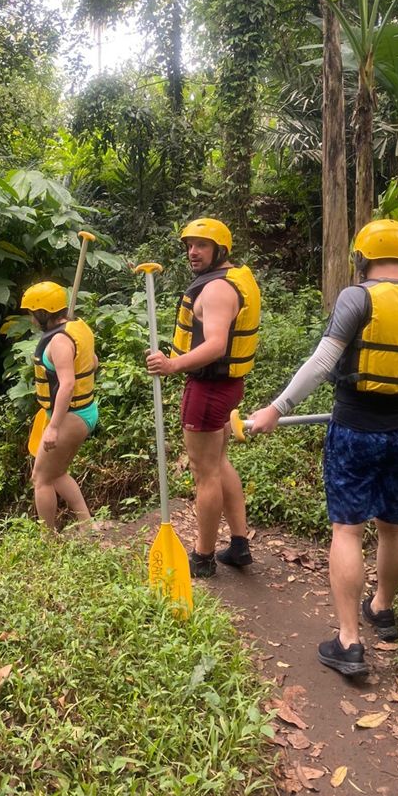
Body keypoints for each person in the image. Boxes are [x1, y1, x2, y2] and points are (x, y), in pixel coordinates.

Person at [247, 219, 398, 676]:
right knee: (394, 523)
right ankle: (381, 608)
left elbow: (324, 361)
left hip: (355, 429)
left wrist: (276, 408)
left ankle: (348, 642)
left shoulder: (357, 296)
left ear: (362, 257)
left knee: (347, 529)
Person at [145, 218, 261, 578]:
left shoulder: (215, 291)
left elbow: (215, 345)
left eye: (202, 245)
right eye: (189, 245)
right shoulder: (230, 279)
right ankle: (239, 544)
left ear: (220, 250)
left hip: (209, 389)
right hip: (226, 386)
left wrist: (173, 364)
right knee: (219, 461)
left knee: (204, 472)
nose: (193, 252)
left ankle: (203, 556)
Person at [20, 282, 99, 531]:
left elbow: (66, 385)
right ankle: (88, 526)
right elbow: (93, 362)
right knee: (56, 473)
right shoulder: (78, 328)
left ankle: (49, 539)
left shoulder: (59, 342)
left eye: (33, 314)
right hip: (82, 412)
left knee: (40, 479)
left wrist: (53, 428)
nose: (32, 320)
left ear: (43, 313)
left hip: (70, 416)